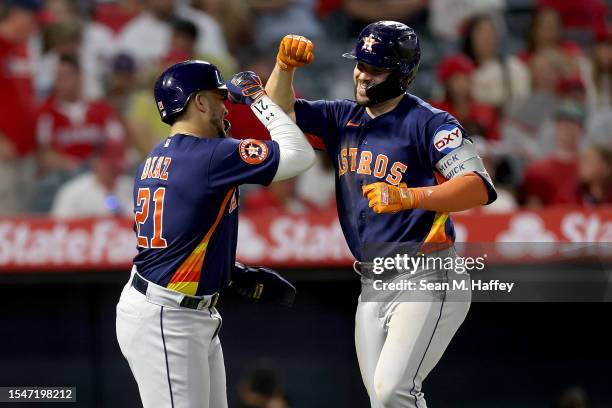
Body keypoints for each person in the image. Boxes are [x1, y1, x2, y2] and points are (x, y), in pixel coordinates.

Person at [266, 22, 497, 408]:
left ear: (402, 74)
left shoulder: (430, 122)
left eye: (375, 68)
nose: (362, 74)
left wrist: (407, 196)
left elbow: (479, 186)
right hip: (371, 279)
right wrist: (283, 69)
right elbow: (277, 114)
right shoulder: (344, 117)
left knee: (393, 391)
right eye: (360, 64)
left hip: (426, 269)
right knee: (382, 399)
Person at [115, 60, 315, 408]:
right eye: (219, 98)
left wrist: (230, 272)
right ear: (200, 102)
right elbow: (299, 156)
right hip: (168, 315)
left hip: (173, 306)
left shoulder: (154, 157)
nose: (226, 108)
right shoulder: (211, 154)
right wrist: (256, 97)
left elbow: (179, 241)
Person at [51, 141, 133, 218]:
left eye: (117, 167)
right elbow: (58, 226)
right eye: (110, 166)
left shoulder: (134, 187)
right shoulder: (72, 191)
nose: (114, 170)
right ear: (96, 161)